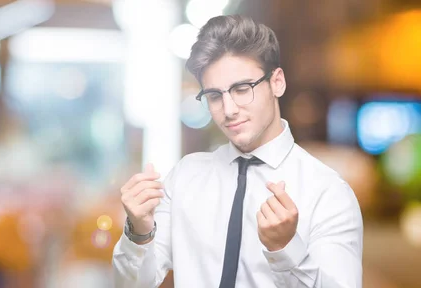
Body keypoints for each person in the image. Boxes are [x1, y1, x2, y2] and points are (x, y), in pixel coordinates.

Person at [112, 15, 363, 288]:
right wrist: (139, 231)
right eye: (215, 96)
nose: (229, 110)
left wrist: (286, 249)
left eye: (242, 89)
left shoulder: (327, 192)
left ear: (277, 82)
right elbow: (133, 284)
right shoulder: (184, 177)